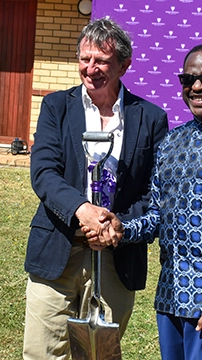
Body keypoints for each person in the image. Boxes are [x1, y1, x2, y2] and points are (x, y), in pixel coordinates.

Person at [84, 43, 202, 360]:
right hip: (172, 300)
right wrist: (123, 230)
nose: (197, 87)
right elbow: (158, 216)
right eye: (188, 80)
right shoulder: (173, 142)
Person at [22, 18, 169, 359]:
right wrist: (82, 210)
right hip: (58, 248)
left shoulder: (150, 118)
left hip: (116, 255)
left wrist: (120, 226)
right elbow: (44, 172)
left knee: (98, 354)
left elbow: (154, 191)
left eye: (101, 60)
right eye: (85, 59)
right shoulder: (56, 107)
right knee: (42, 353)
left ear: (124, 65)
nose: (91, 69)